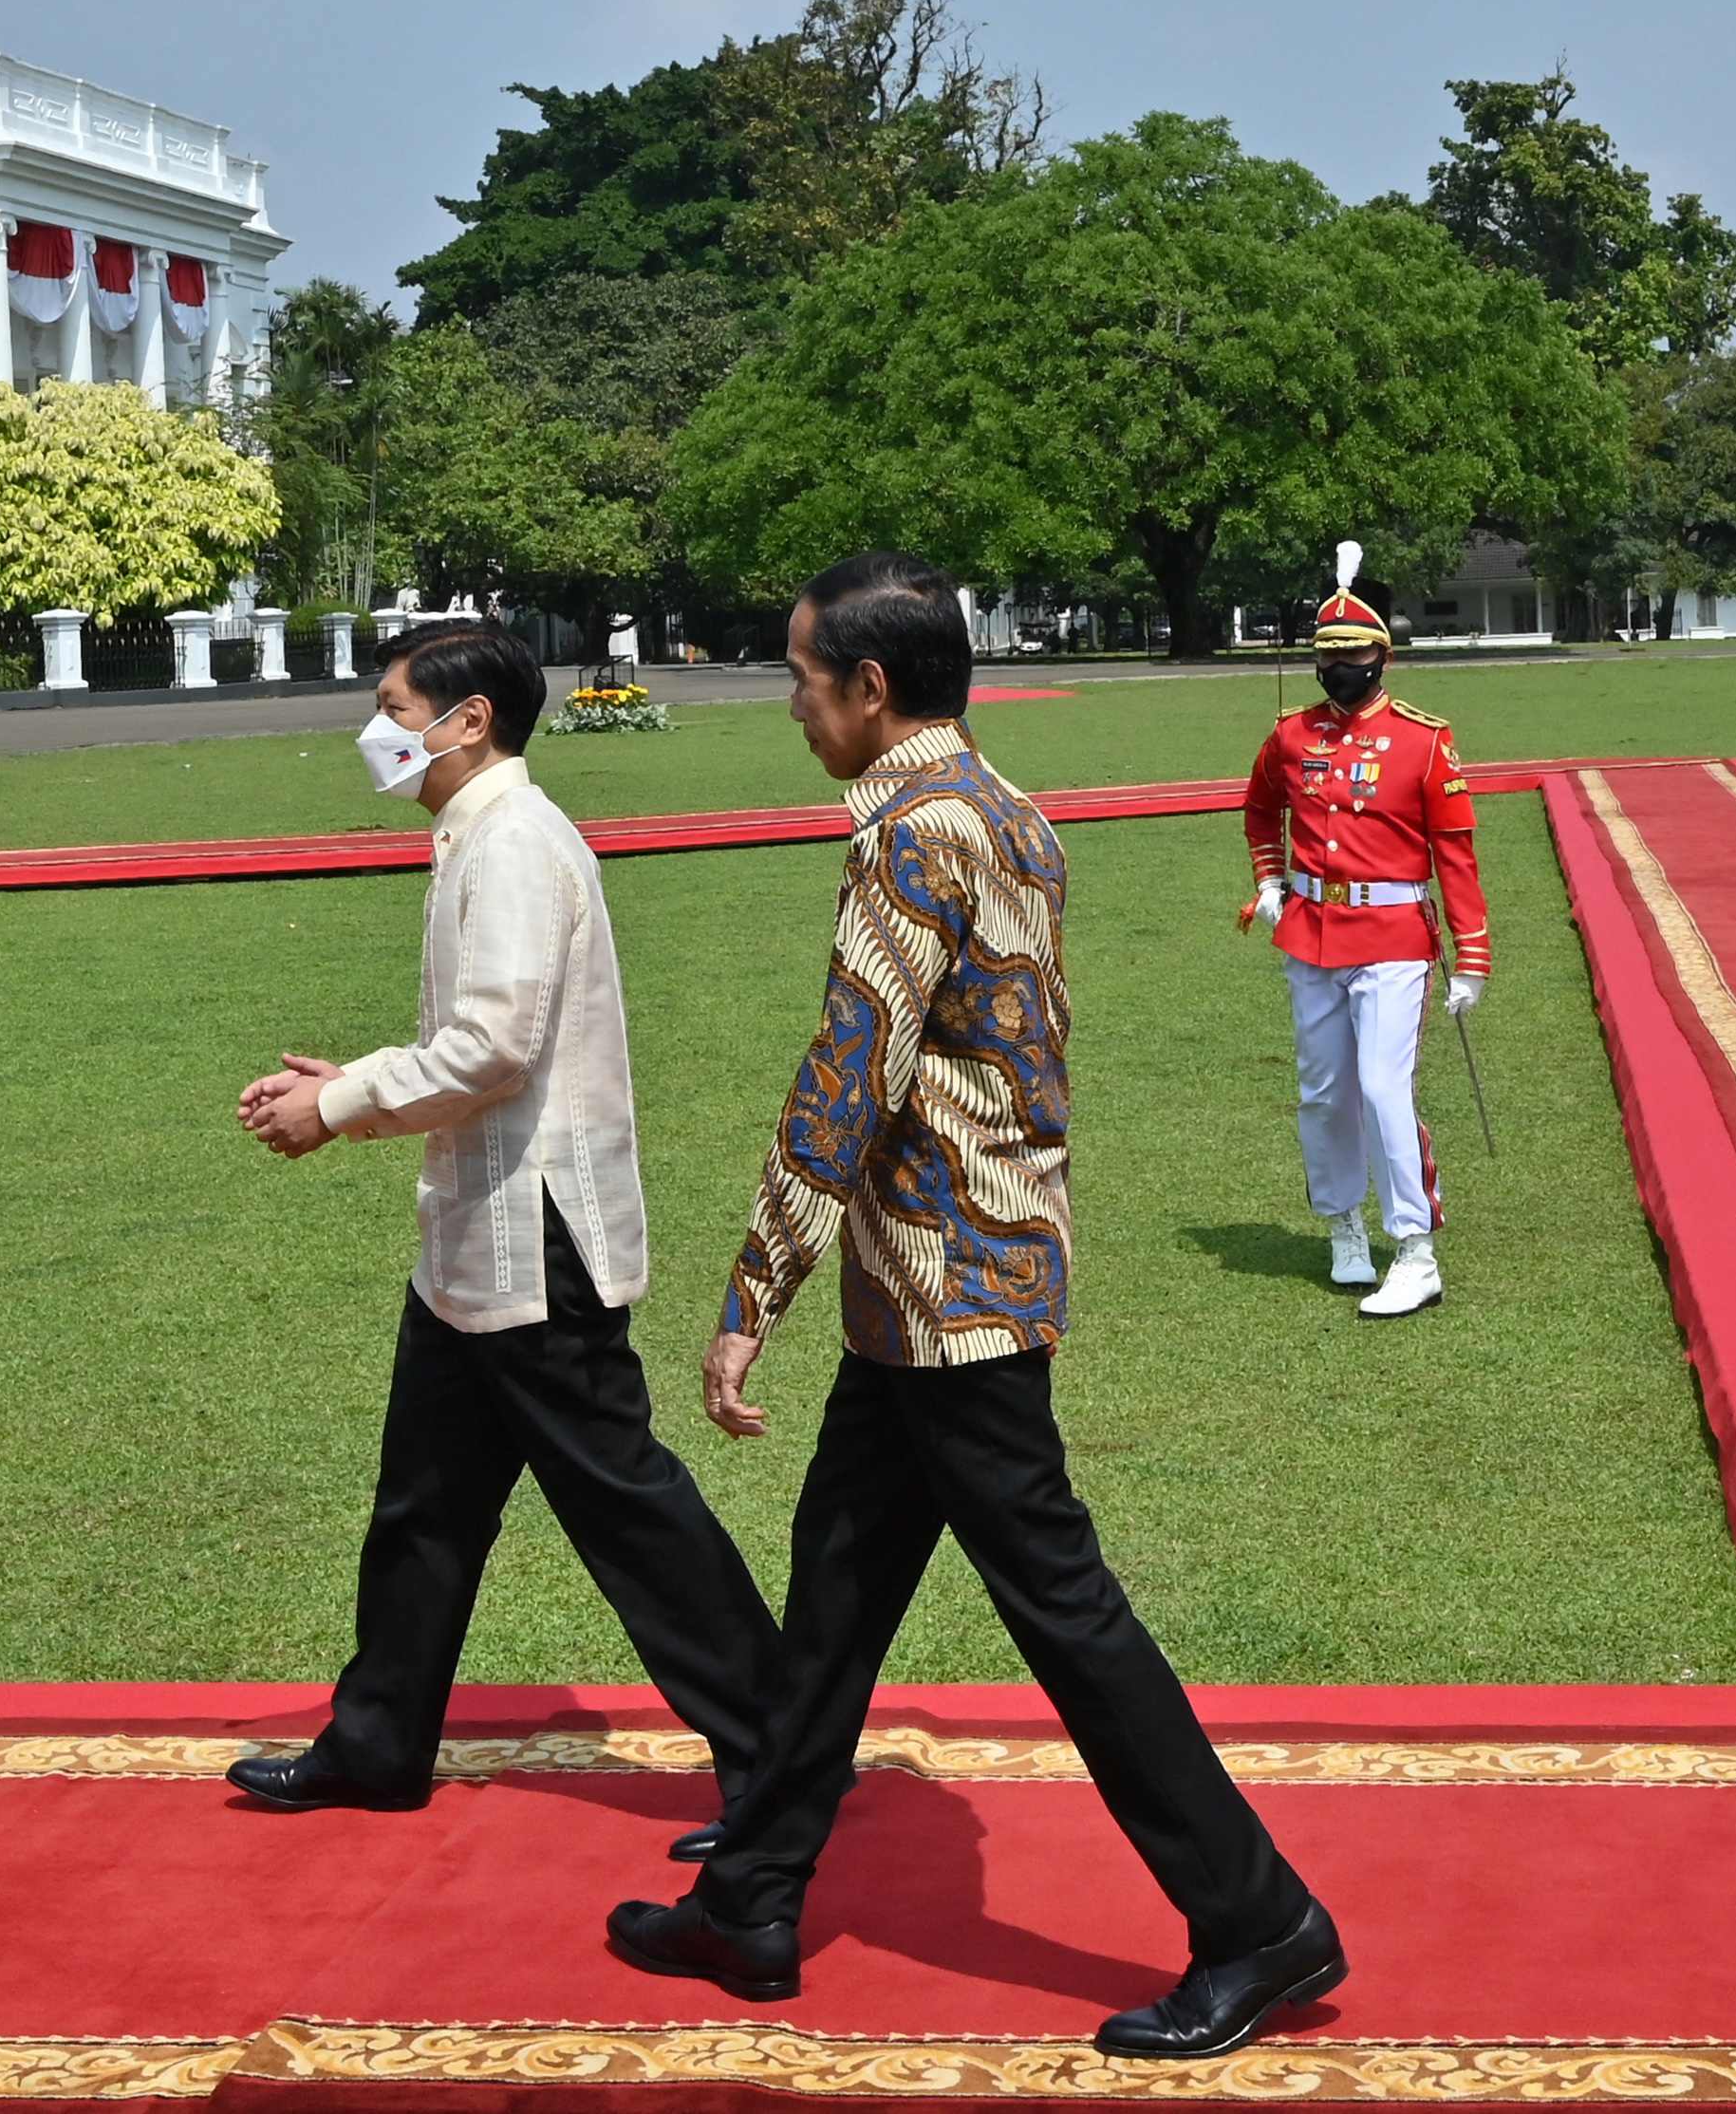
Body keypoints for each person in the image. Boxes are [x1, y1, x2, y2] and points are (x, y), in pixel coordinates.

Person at [609, 552, 1342, 2053]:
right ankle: (754, 1889)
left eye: (802, 678)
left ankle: (1258, 1918)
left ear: (871, 688)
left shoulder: (912, 835)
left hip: (949, 1285)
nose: (791, 705)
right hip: (950, 1274)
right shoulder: (1004, 805)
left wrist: (755, 1283)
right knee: (835, 1589)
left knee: (1065, 1612)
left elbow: (849, 1071)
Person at [227, 619, 780, 1824]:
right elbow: (480, 1045)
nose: (379, 728)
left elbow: (493, 1045)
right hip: (479, 1228)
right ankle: (376, 1741)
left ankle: (778, 1751)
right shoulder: (481, 833)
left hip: (534, 1236)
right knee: (425, 1499)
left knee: (625, 1506)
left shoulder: (514, 840)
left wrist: (340, 1102)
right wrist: (362, 1086)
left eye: (395, 704)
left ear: (467, 719)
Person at [1238, 546, 1486, 1319]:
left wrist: (1470, 953)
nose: (1336, 667)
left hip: (1393, 932)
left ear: (1382, 655)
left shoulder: (1423, 738)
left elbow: (1454, 847)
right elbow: (1258, 808)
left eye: (1351, 654)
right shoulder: (1290, 735)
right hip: (1310, 929)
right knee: (1322, 1092)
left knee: (1383, 1088)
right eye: (1325, 655)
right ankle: (1343, 1225)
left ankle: (1415, 1249)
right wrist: (1270, 882)